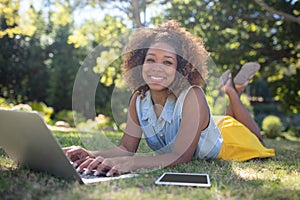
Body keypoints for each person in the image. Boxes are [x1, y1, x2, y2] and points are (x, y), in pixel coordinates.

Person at [63, 20, 275, 177]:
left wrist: (131, 164)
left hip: (229, 142)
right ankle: (233, 90)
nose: (157, 67)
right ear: (139, 62)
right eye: (151, 59)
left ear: (181, 68)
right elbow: (126, 149)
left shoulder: (193, 95)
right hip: (208, 125)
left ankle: (232, 90)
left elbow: (180, 156)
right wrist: (88, 153)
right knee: (226, 120)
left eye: (167, 62)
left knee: (257, 139)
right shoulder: (138, 99)